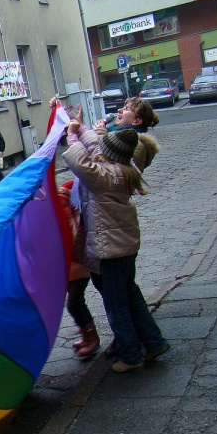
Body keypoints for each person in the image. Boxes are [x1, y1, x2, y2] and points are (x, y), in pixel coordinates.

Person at [62, 123, 171, 373]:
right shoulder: (124, 168)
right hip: (124, 248)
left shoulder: (104, 177)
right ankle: (154, 343)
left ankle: (132, 356)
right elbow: (95, 147)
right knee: (131, 296)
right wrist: (82, 128)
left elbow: (80, 162)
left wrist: (71, 136)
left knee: (116, 306)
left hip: (111, 252)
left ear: (110, 154)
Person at [57, 180, 100, 359]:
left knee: (74, 303)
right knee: (77, 302)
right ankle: (87, 336)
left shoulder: (72, 215)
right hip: (70, 268)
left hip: (79, 266)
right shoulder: (62, 217)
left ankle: (92, 338)